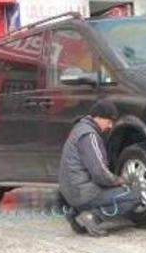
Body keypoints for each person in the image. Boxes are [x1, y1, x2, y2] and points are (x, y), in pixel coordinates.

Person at [58, 99, 141, 236]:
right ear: (99, 118)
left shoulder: (78, 129)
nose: (110, 126)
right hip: (83, 193)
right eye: (109, 121)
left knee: (111, 190)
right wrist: (121, 181)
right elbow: (99, 174)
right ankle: (92, 217)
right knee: (134, 196)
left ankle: (76, 215)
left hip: (71, 192)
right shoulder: (89, 136)